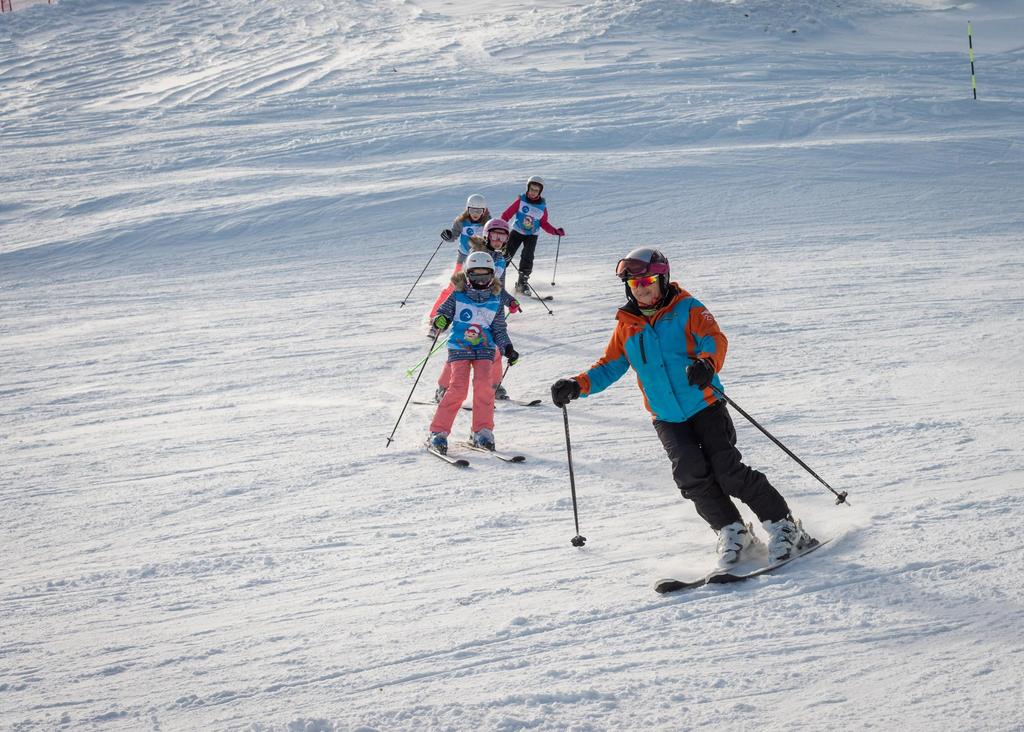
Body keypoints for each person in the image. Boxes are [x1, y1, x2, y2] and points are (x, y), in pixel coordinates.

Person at [549, 247, 813, 566]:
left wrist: (706, 363)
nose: (642, 287)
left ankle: (783, 524)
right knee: (690, 474)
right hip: (667, 418)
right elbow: (610, 365)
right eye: (634, 283)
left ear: (662, 279)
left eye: (647, 280)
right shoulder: (627, 325)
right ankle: (733, 531)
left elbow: (714, 339)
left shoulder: (688, 308)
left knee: (727, 471)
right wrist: (578, 385)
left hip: (705, 405)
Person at [429, 250, 519, 453]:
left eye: (485, 275)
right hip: (460, 347)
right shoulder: (458, 295)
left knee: (484, 388)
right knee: (458, 389)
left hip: (485, 349)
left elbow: (498, 329)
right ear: (468, 275)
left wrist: (507, 348)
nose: (480, 281)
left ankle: (482, 431)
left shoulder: (495, 299)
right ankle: (438, 432)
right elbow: (442, 314)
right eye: (475, 275)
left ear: (492, 276)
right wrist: (440, 321)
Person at [433, 218, 522, 403]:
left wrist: (509, 301)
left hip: (490, 313)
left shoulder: (501, 260)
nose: (498, 240)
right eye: (494, 235)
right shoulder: (476, 256)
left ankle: (494, 386)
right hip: (470, 311)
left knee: (495, 351)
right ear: (486, 235)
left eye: (502, 236)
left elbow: (498, 288)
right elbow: (466, 284)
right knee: (459, 354)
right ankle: (443, 387)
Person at [428, 194, 491, 337]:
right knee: (453, 287)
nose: (475, 214)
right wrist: (448, 235)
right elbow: (453, 236)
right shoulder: (461, 222)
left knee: (483, 288)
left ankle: (486, 318)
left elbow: (493, 239)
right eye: (472, 210)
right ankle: (434, 318)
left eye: (478, 211)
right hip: (463, 259)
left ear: (484, 211)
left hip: (480, 261)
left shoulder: (488, 223)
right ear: (467, 209)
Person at [500, 175, 565, 295]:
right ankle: (496, 280)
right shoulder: (521, 201)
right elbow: (506, 214)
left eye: (536, 190)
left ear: (540, 191)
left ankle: (522, 283)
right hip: (517, 231)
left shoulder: (542, 207)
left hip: (532, 235)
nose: (533, 192)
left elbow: (544, 223)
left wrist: (555, 231)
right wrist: (500, 227)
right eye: (532, 189)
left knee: (528, 257)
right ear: (528, 188)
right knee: (506, 254)